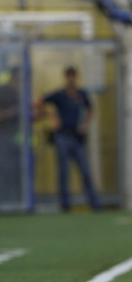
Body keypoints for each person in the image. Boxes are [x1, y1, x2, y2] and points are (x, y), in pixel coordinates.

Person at [35, 66, 100, 212]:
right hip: (62, 138)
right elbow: (39, 102)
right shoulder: (59, 95)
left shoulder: (81, 94)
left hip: (77, 139)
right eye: (69, 75)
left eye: (73, 75)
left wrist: (85, 125)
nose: (71, 78)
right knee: (63, 173)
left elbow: (91, 109)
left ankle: (95, 204)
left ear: (76, 77)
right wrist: (51, 116)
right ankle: (65, 205)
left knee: (85, 171)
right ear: (65, 77)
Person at [0, 68, 22, 204]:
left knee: (17, 169)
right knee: (4, 168)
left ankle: (17, 200)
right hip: (3, 135)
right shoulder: (3, 91)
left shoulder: (20, 93)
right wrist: (12, 112)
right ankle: (5, 202)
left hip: (17, 136)